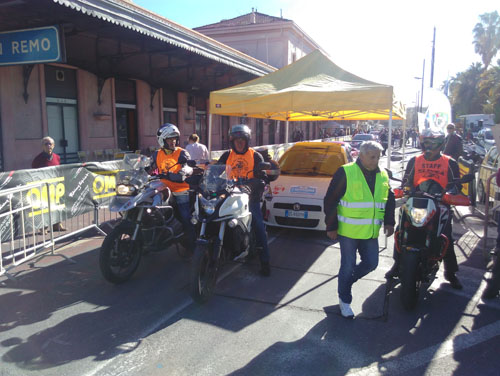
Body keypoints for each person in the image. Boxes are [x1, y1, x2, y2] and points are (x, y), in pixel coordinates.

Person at [324, 141, 396, 318]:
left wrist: (389, 222)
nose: (376, 160)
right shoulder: (346, 171)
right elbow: (330, 200)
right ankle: (345, 300)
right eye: (372, 157)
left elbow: (390, 199)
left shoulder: (383, 174)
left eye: (378, 157)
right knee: (347, 266)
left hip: (370, 232)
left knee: (371, 263)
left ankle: (345, 283)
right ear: (361, 156)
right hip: (348, 232)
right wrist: (331, 226)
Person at [385, 129, 463, 289]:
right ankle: (398, 263)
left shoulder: (450, 162)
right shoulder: (415, 160)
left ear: (441, 144)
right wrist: (404, 188)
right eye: (426, 142)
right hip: (416, 200)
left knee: (446, 235)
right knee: (401, 230)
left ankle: (451, 272)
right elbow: (406, 181)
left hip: (439, 202)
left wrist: (449, 193)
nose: (429, 146)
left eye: (433, 143)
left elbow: (456, 185)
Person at [217, 124, 271, 277]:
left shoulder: (255, 156)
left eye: (242, 140)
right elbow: (216, 170)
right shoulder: (227, 155)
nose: (239, 143)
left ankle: (265, 262)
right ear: (232, 141)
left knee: (258, 226)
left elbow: (264, 177)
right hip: (228, 194)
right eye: (236, 140)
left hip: (250, 197)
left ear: (247, 140)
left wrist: (258, 182)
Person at [150, 123, 195, 255]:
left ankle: (191, 246)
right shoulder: (156, 154)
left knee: (185, 217)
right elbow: (152, 169)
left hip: (180, 189)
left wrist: (184, 172)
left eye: (174, 138)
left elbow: (186, 167)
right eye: (170, 139)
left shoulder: (182, 153)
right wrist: (144, 171)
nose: (173, 141)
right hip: (162, 187)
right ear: (162, 140)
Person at [32, 136, 66, 231]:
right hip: (43, 188)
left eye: (50, 144)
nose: (48, 145)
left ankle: (57, 225)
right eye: (46, 144)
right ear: (42, 146)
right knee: (44, 207)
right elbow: (34, 173)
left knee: (56, 206)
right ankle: (43, 227)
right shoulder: (37, 159)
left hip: (55, 187)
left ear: (54, 146)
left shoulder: (57, 157)